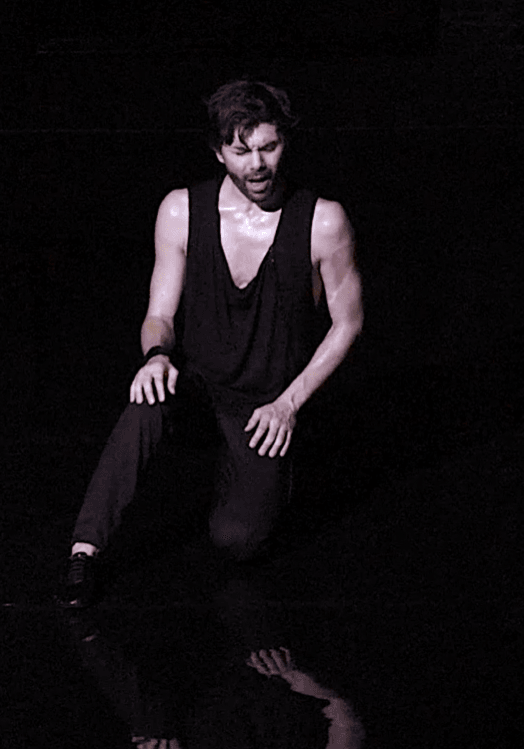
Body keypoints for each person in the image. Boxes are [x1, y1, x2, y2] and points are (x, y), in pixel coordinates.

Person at [59, 80, 363, 608]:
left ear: (285, 143)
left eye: (269, 147)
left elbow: (348, 324)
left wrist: (289, 404)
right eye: (241, 151)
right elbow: (159, 314)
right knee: (146, 400)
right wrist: (156, 357)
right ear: (219, 151)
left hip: (265, 406)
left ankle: (256, 475)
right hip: (200, 388)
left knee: (237, 541)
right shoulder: (182, 211)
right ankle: (84, 550)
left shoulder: (322, 221)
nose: (257, 165)